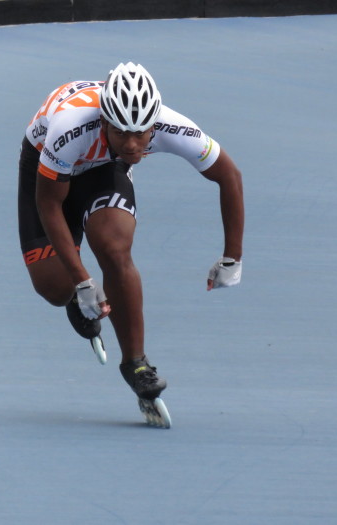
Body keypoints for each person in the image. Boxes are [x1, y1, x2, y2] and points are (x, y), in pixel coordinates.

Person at [18, 62, 243, 401]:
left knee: (114, 247)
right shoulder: (70, 128)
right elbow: (50, 205)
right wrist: (81, 281)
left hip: (105, 167)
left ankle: (136, 363)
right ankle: (74, 298)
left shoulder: (172, 126)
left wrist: (232, 257)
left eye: (142, 133)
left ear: (155, 124)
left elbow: (229, 176)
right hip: (46, 164)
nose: (134, 144)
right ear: (104, 122)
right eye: (121, 132)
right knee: (55, 287)